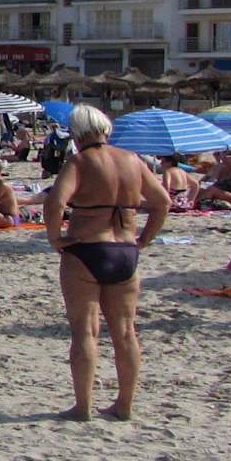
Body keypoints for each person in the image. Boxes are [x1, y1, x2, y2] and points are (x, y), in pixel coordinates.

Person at [42, 104, 171, 421]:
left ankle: (83, 407)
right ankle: (124, 405)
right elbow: (162, 202)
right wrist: (144, 239)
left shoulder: (80, 161)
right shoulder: (132, 160)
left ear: (77, 133)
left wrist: (55, 237)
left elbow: (56, 201)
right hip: (125, 251)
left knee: (85, 332)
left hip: (86, 249)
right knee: (125, 332)